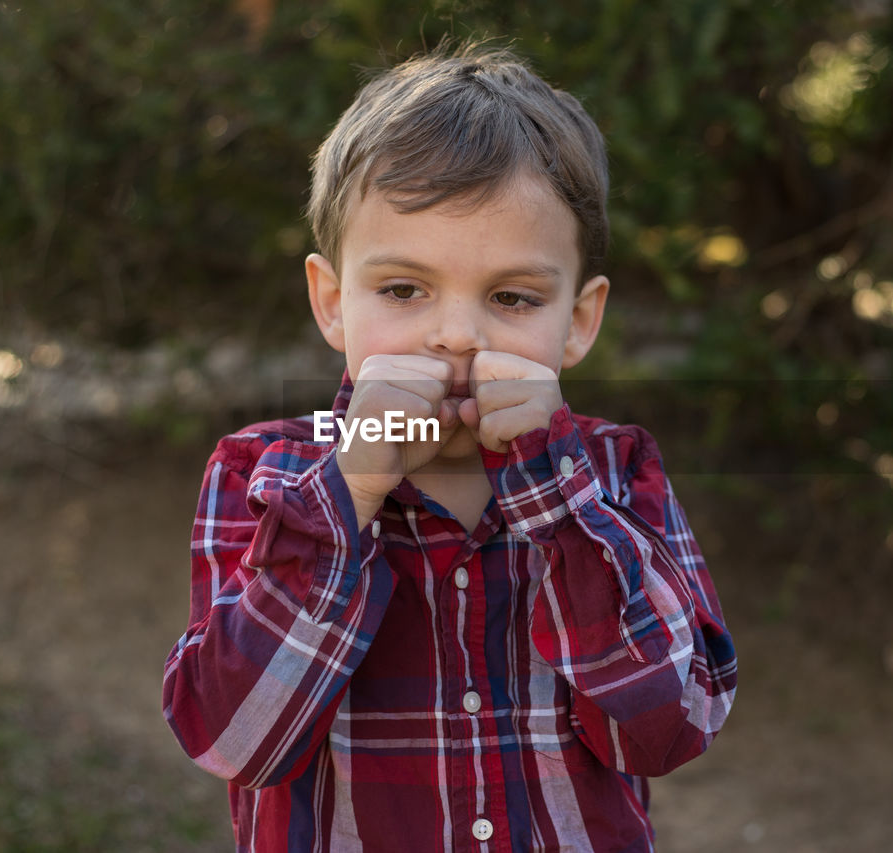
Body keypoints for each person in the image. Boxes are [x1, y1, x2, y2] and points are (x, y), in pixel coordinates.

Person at [162, 41, 737, 852]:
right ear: (332, 302)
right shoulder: (262, 476)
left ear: (578, 319)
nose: (457, 336)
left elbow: (672, 727)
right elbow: (232, 739)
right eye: (403, 290)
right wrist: (353, 486)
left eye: (512, 296)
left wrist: (554, 497)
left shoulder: (612, 475)